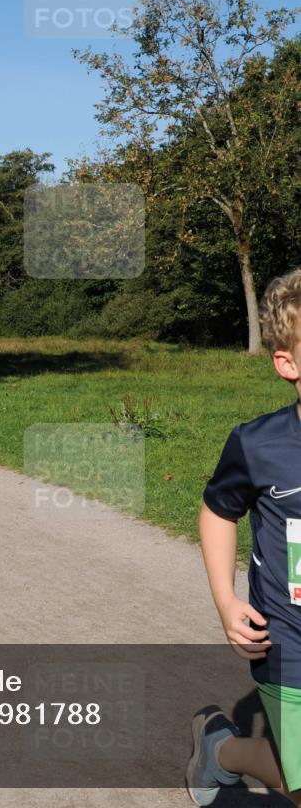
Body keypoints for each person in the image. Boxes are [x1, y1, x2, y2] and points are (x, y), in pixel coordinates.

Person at [187, 266, 301, 806]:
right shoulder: (258, 445)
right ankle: (223, 753)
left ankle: (223, 753)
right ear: (288, 363)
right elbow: (217, 512)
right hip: (287, 643)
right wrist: (226, 600)